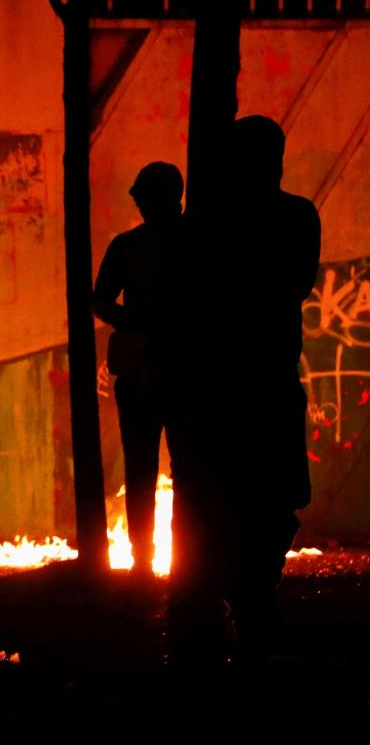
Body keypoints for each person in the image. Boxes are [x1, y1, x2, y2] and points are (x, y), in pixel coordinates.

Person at [163, 115, 320, 664]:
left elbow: (196, 300)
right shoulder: (295, 216)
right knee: (271, 500)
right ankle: (250, 601)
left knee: (237, 501)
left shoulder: (212, 225)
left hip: (227, 387)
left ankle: (239, 602)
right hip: (265, 380)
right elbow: (293, 283)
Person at [93, 162, 184, 577]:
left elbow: (101, 301)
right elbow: (102, 300)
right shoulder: (196, 243)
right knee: (183, 469)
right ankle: (178, 558)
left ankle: (146, 560)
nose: (141, 204)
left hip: (150, 372)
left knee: (144, 467)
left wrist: (131, 320)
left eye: (145, 196)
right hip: (182, 370)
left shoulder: (128, 246)